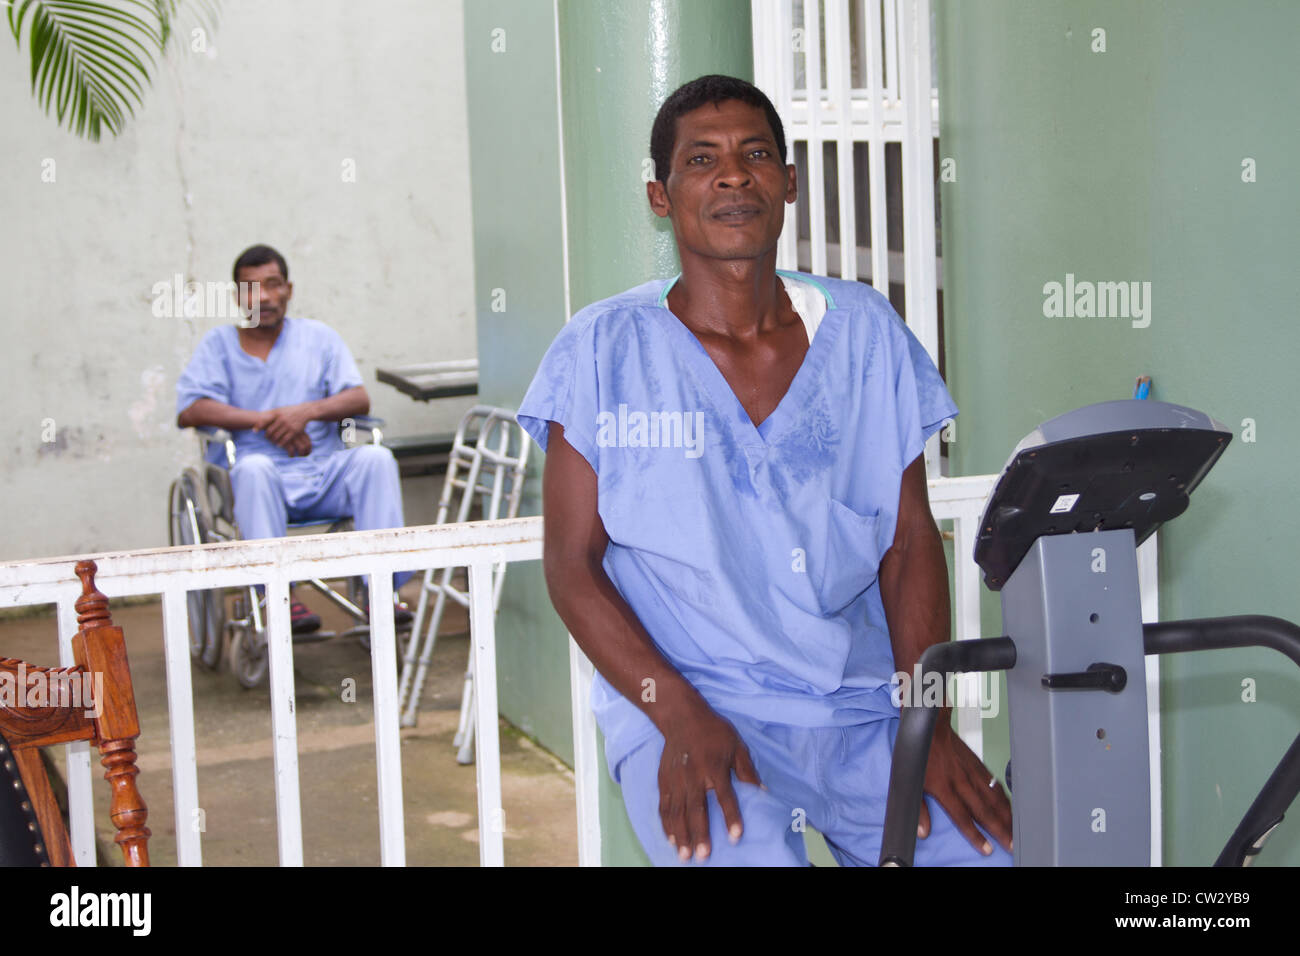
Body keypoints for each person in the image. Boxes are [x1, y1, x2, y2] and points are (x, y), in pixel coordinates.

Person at [517, 75, 1013, 866]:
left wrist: (930, 723)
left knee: (993, 856)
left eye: (755, 154)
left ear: (787, 182)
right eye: (701, 159)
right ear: (660, 194)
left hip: (858, 713)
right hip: (686, 704)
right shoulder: (601, 352)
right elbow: (572, 565)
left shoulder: (868, 335)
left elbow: (912, 545)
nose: (733, 174)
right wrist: (675, 712)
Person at [176, 244, 411, 631]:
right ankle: (278, 596)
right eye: (251, 288)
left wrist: (305, 412)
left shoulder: (318, 338)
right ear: (237, 296)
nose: (264, 297)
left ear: (289, 289)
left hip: (322, 473)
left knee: (376, 458)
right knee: (252, 468)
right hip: (259, 483)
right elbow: (192, 410)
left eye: (272, 285)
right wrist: (267, 421)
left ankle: (381, 591)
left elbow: (358, 398)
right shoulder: (218, 345)